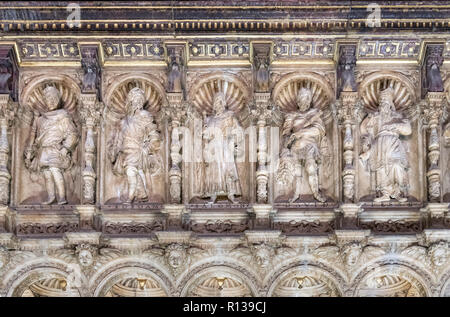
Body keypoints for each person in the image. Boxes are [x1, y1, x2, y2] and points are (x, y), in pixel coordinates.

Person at [24, 86, 78, 205]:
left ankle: (62, 197)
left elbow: (72, 133)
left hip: (56, 149)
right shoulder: (40, 120)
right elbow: (35, 138)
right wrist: (30, 151)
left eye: (53, 98)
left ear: (58, 100)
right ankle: (51, 196)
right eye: (48, 99)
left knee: (55, 170)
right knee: (47, 174)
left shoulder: (63, 116)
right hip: (44, 150)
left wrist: (65, 148)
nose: (51, 101)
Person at [108, 87, 161, 203]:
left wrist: (148, 147)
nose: (137, 102)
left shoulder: (145, 116)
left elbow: (154, 134)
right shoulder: (123, 121)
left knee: (131, 171)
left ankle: (131, 197)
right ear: (130, 101)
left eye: (140, 99)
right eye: (135, 98)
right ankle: (142, 194)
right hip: (126, 153)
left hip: (138, 151)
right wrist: (114, 152)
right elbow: (118, 139)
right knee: (137, 172)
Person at [360, 87, 412, 202]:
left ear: (390, 104)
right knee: (381, 167)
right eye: (381, 103)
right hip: (379, 143)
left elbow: (408, 130)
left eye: (385, 102)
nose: (383, 105)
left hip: (393, 142)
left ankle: (398, 192)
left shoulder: (397, 117)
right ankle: (385, 193)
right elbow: (364, 129)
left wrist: (395, 126)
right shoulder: (375, 117)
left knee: (396, 165)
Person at [280, 87, 328, 202]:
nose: (304, 101)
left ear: (310, 100)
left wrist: (301, 132)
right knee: (297, 171)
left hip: (310, 145)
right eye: (302, 98)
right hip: (296, 147)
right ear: (298, 101)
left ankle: (316, 193)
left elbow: (318, 130)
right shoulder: (292, 115)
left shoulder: (315, 114)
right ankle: (296, 194)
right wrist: (288, 140)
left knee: (311, 167)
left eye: (307, 98)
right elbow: (286, 132)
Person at [202, 92, 243, 203]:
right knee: (214, 170)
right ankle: (213, 194)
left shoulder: (229, 116)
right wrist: (205, 127)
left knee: (226, 168)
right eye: (216, 102)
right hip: (213, 147)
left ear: (223, 103)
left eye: (220, 102)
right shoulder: (210, 119)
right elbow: (207, 136)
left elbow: (238, 131)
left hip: (224, 145)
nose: (218, 104)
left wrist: (233, 140)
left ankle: (230, 194)